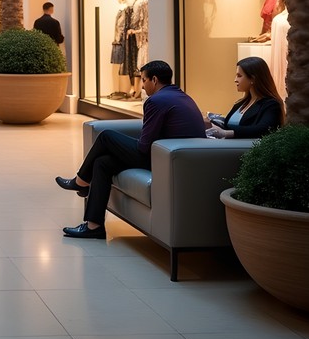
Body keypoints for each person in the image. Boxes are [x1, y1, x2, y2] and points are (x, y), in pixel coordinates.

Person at [55, 60, 205, 239]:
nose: (142, 85)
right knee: (102, 163)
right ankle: (94, 226)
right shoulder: (181, 96)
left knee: (106, 136)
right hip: (171, 157)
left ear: (154, 80)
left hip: (163, 159)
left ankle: (80, 181)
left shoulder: (156, 101)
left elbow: (143, 146)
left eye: (143, 80)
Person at [207, 56, 285, 139]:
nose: (235, 80)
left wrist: (226, 133)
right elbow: (227, 126)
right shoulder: (241, 103)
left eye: (239, 76)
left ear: (253, 79)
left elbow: (264, 129)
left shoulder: (271, 104)